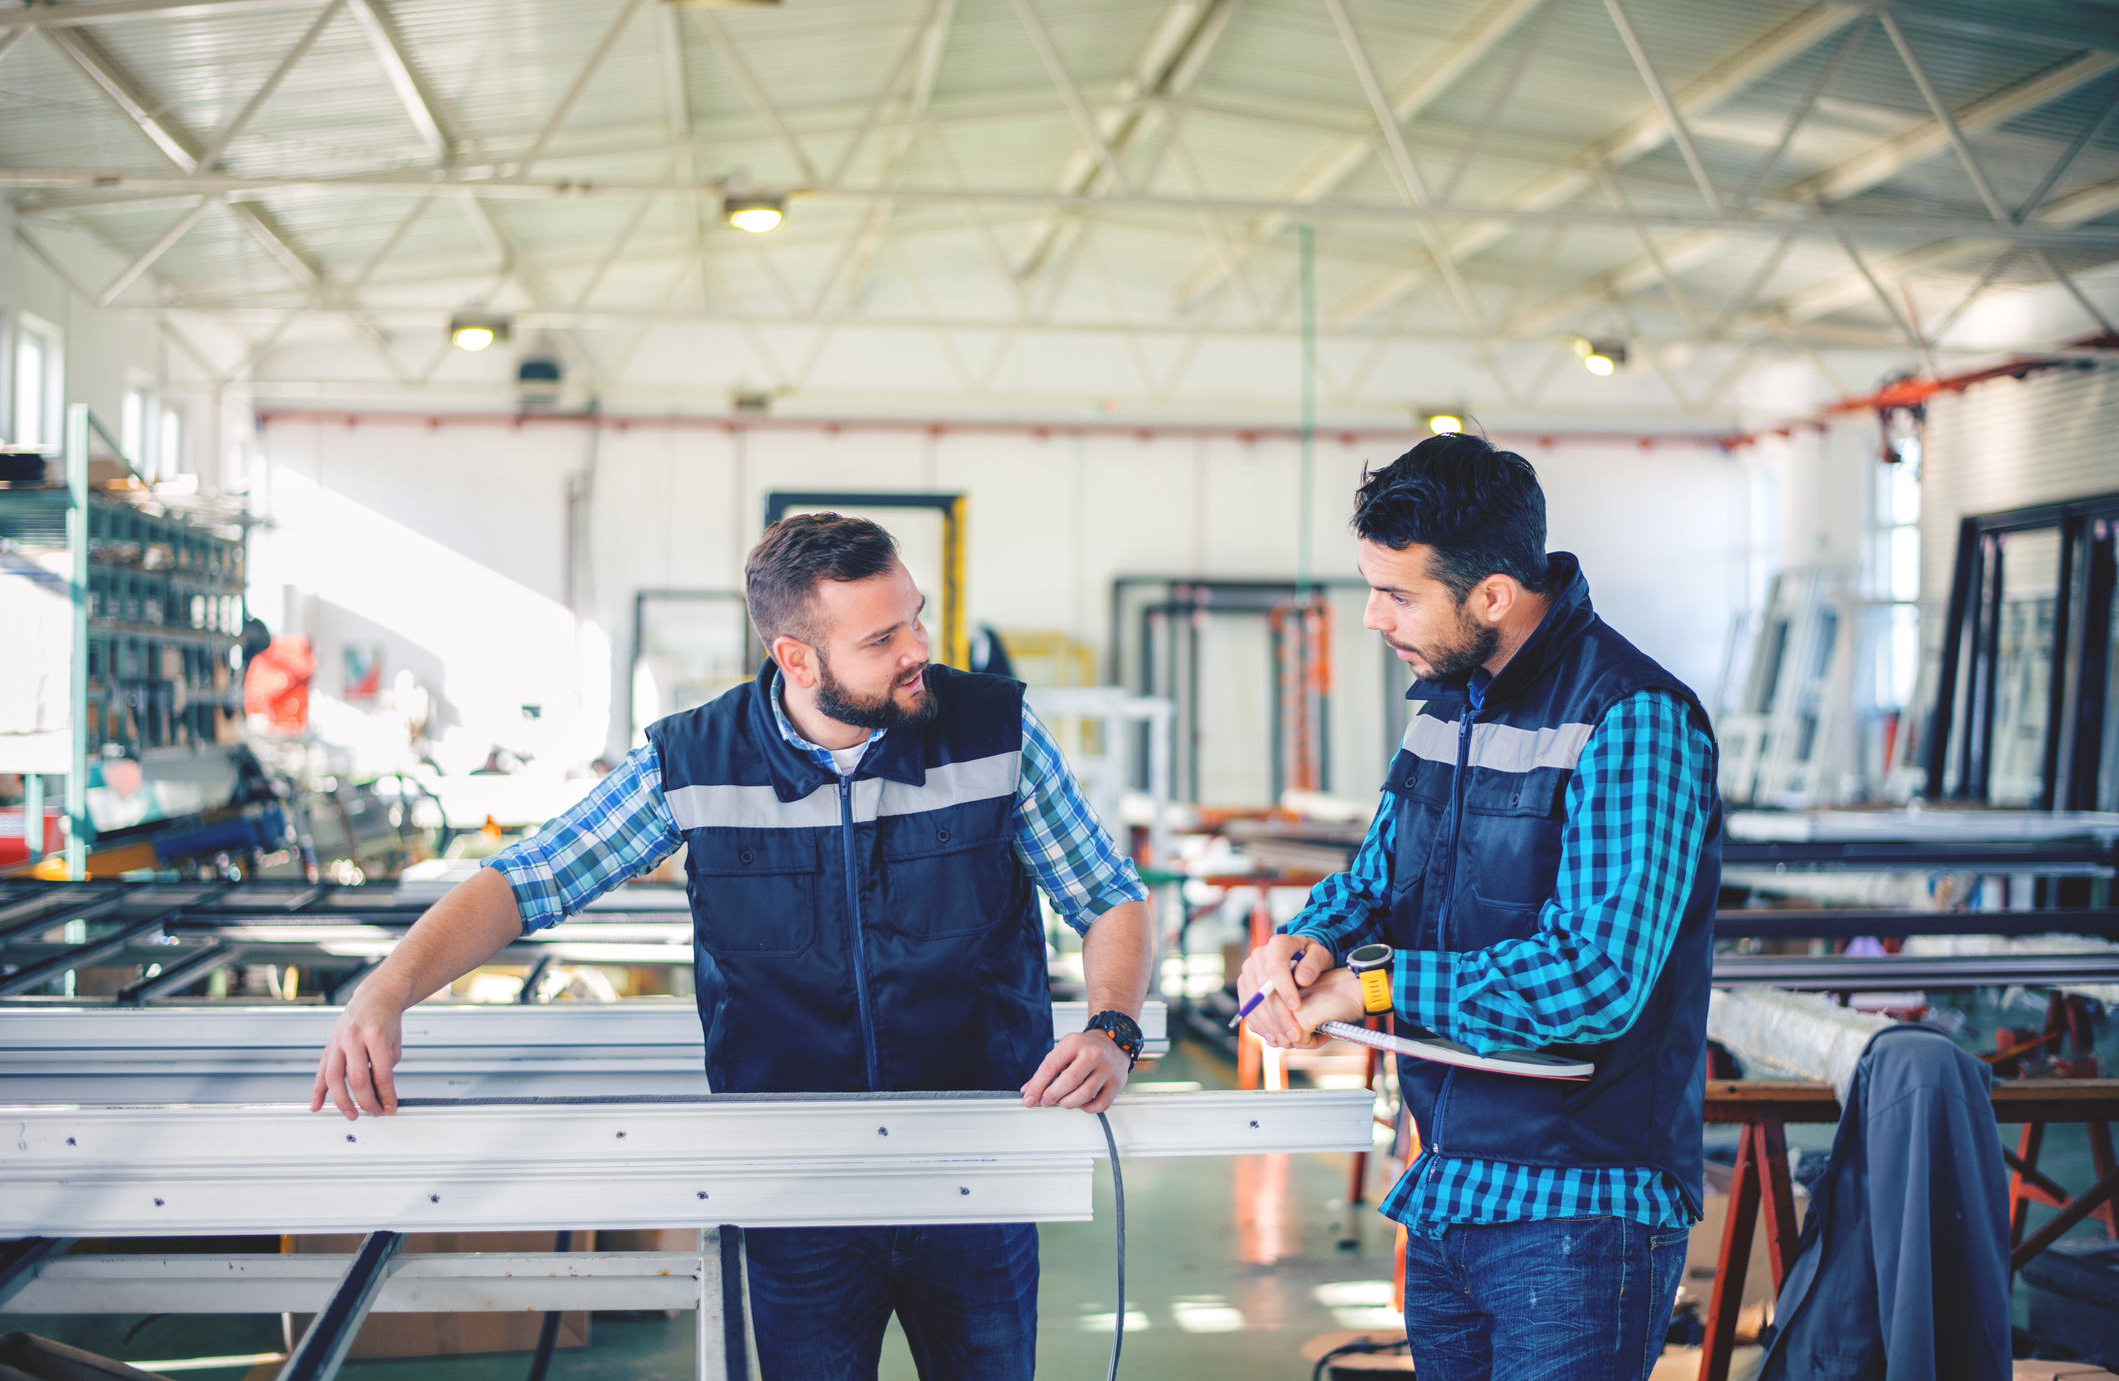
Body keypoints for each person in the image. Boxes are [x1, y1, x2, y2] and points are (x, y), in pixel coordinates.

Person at [313, 513, 1154, 1381]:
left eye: (916, 618)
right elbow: (527, 881)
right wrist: (384, 992)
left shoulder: (993, 734)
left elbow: (1106, 893)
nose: (918, 650)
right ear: (797, 658)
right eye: (881, 638)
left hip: (976, 1170)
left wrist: (1112, 1027)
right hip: (794, 1189)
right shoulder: (695, 762)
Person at [1238, 433, 1721, 1381]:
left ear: (1491, 595)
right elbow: (1376, 881)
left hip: (1579, 1205)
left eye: (1399, 594)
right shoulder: (1444, 706)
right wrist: (1304, 942)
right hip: (1450, 1185)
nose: (1373, 618)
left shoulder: (1631, 720)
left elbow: (1597, 978)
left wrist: (1368, 992)